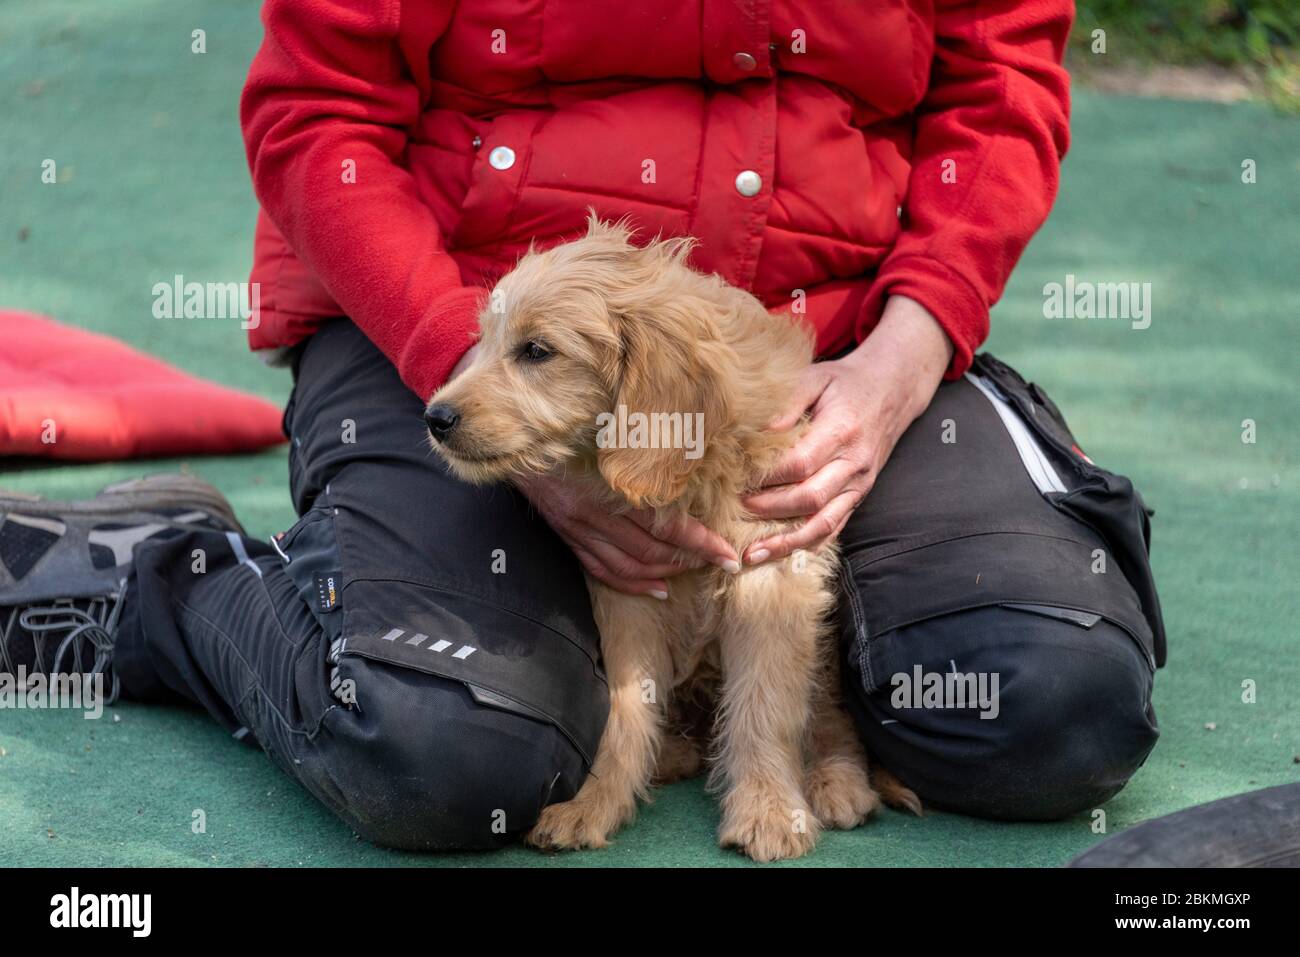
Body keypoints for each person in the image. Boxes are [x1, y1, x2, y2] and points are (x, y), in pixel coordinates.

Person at [0, 0, 1162, 850]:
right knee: (438, 748)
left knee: (1048, 706)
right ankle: (170, 585)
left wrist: (907, 354)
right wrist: (497, 389)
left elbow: (995, 87)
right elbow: (320, 118)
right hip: (451, 325)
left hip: (839, 340)